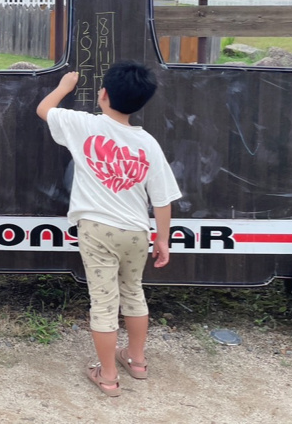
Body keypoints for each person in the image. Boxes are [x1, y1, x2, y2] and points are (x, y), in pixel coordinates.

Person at [36, 61, 181, 397]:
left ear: (102, 95)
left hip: (97, 231)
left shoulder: (83, 125)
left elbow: (44, 109)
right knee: (133, 292)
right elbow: (162, 200)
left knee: (103, 303)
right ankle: (137, 360)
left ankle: (108, 375)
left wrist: (65, 86)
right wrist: (163, 239)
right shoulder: (149, 145)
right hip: (136, 232)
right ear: (142, 102)